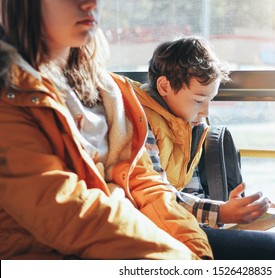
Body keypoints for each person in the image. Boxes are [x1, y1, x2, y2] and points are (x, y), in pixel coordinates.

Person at [0, 0, 213, 260]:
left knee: (274, 250)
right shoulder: (9, 93)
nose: (91, 3)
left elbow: (145, 182)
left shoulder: (110, 89)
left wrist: (196, 253)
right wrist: (180, 262)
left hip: (133, 236)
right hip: (51, 253)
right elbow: (68, 213)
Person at [131, 37, 275, 259]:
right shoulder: (139, 120)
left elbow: (191, 193)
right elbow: (154, 197)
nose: (206, 111)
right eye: (199, 100)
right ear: (164, 86)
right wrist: (221, 212)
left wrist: (236, 212)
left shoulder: (189, 125)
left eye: (210, 100)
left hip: (182, 224)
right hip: (153, 229)